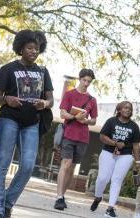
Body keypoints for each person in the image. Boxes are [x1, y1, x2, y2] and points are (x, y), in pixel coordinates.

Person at [0, 29, 54, 218]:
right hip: (9, 119)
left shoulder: (42, 72)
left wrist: (44, 103)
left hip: (31, 123)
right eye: (30, 47)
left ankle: (7, 202)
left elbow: (51, 100)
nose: (34, 51)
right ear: (21, 48)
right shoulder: (8, 69)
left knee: (27, 166)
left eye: (37, 48)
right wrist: (8, 99)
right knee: (3, 163)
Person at [54, 69, 98, 210]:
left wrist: (85, 120)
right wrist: (74, 117)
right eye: (84, 80)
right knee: (66, 163)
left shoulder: (92, 100)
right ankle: (59, 197)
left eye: (89, 82)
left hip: (83, 137)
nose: (86, 84)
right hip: (69, 134)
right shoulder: (69, 94)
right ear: (80, 79)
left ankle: (62, 195)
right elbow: (62, 113)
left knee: (72, 167)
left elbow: (94, 121)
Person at [90, 101, 140, 218]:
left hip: (126, 155)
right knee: (103, 178)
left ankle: (110, 208)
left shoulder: (134, 126)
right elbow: (102, 136)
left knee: (116, 180)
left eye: (130, 108)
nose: (128, 110)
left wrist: (138, 162)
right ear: (119, 109)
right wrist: (114, 143)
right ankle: (98, 197)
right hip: (108, 152)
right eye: (125, 107)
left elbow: (136, 145)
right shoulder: (111, 121)